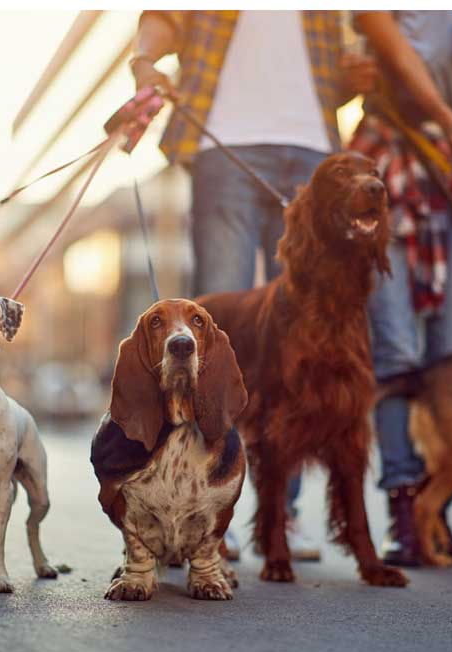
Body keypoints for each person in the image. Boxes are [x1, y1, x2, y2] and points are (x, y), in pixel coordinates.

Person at [130, 10, 359, 562]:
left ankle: (283, 512)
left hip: (313, 149)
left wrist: (361, 75)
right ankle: (208, 508)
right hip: (222, 142)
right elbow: (164, 17)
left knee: (299, 342)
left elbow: (346, 61)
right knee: (214, 334)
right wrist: (143, 62)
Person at [346, 11, 452, 566]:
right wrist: (451, 119)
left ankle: (434, 505)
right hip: (391, 158)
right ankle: (402, 504)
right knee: (395, 350)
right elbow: (394, 54)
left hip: (451, 172)